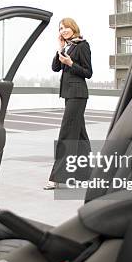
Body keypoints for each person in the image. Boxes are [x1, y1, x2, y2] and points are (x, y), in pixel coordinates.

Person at [45, 18, 93, 190]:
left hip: (78, 95)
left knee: (66, 133)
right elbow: (55, 68)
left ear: (73, 28)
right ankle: (88, 174)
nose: (63, 30)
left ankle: (57, 177)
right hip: (69, 95)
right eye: (60, 28)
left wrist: (71, 63)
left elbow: (88, 72)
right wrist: (60, 47)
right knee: (80, 136)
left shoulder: (82, 45)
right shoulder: (68, 46)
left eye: (65, 27)